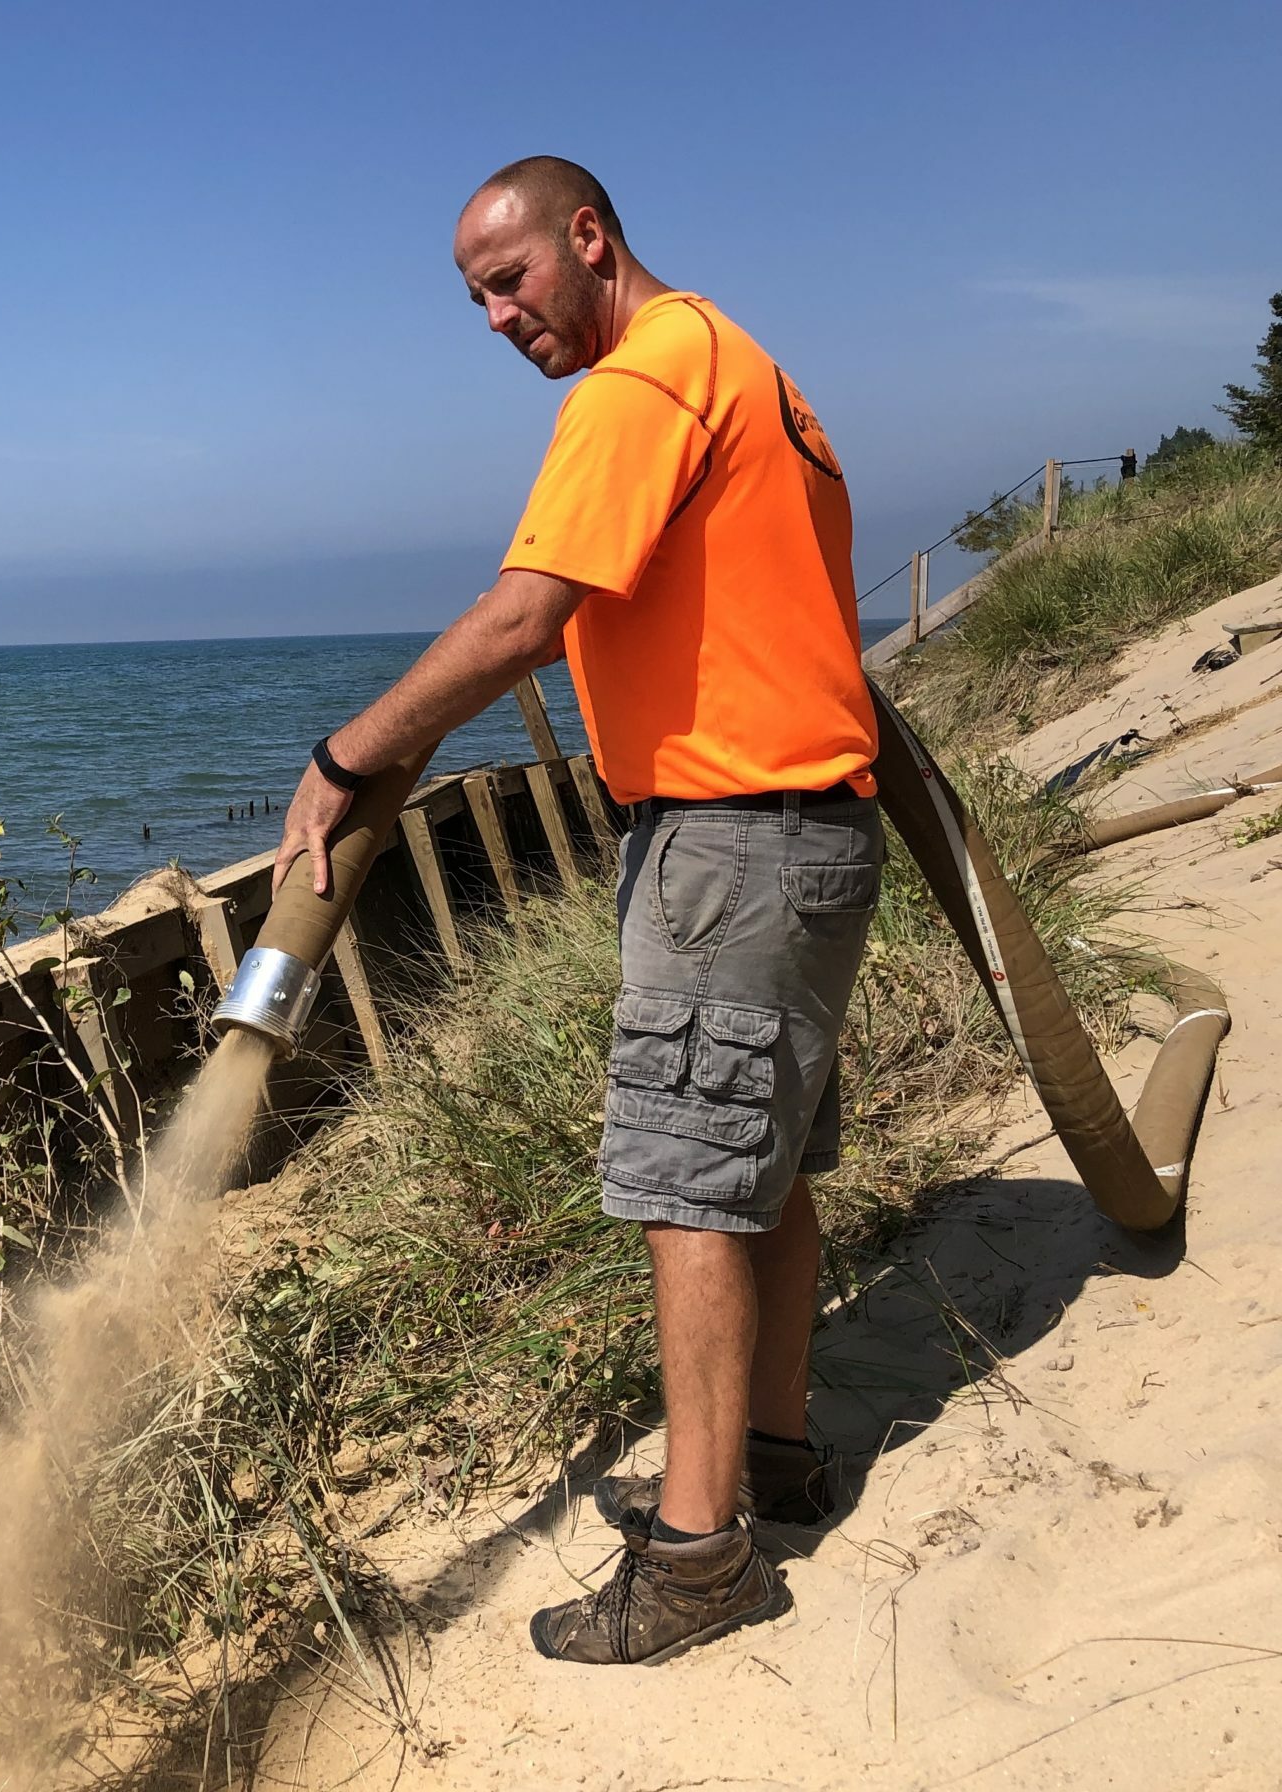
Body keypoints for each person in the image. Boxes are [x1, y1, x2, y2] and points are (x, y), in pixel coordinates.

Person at [272, 156, 881, 1665]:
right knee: (759, 1173)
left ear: (588, 239)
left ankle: (698, 1559)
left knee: (688, 1190)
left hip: (733, 841)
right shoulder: (748, 367)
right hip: (808, 834)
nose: (495, 318)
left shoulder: (641, 380)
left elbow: (524, 615)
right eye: (475, 298)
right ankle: (773, 1462)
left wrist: (348, 758)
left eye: (510, 279)